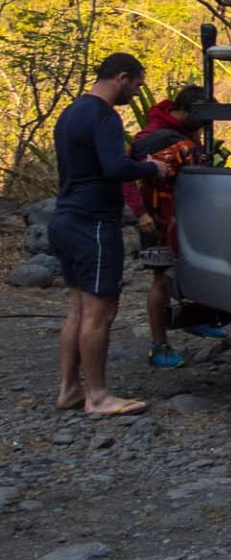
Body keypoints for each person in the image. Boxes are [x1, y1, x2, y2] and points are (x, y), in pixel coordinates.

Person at [50, 53, 169, 417]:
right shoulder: (104, 116)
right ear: (121, 77)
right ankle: (98, 397)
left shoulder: (70, 113)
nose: (136, 94)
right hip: (94, 224)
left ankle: (70, 390)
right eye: (136, 86)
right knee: (100, 311)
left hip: (65, 218)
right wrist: (152, 166)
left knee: (78, 308)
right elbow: (115, 167)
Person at [122, 86, 227, 368]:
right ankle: (159, 344)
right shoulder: (150, 137)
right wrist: (140, 213)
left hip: (188, 213)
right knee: (161, 277)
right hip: (158, 216)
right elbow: (126, 175)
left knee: (194, 265)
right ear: (189, 111)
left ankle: (197, 317)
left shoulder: (189, 133)